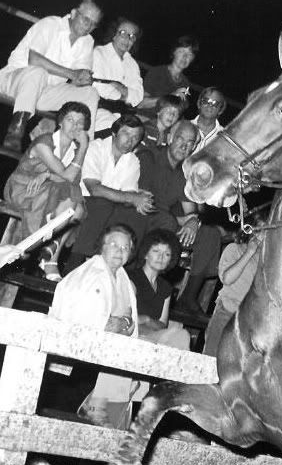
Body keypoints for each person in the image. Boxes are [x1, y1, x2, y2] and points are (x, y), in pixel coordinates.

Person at [49, 224, 139, 427]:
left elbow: (128, 321)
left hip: (107, 361)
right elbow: (76, 317)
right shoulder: (87, 275)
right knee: (64, 416)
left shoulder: (125, 281)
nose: (120, 250)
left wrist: (123, 323)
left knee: (98, 422)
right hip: (78, 361)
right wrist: (108, 325)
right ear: (102, 247)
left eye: (125, 248)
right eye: (114, 244)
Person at [134, 120, 225, 316]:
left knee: (209, 234)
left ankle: (188, 297)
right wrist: (179, 220)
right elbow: (145, 199)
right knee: (167, 221)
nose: (184, 145)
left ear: (194, 147)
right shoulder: (149, 156)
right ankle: (150, 283)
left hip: (166, 220)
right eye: (180, 139)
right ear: (169, 138)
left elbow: (190, 210)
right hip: (141, 214)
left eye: (190, 142)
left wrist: (193, 221)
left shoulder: (186, 171)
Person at [0, 0, 102, 152]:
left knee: (91, 93)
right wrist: (73, 74)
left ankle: (83, 148)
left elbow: (79, 79)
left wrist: (84, 80)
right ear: (74, 13)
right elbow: (34, 60)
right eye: (86, 19)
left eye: (93, 24)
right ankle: (15, 132)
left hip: (44, 94)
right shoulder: (50, 24)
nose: (88, 26)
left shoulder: (87, 42)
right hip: (14, 82)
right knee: (38, 72)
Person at [2, 101, 90, 279]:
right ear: (60, 122)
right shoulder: (44, 141)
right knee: (73, 199)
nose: (75, 125)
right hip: (23, 188)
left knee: (78, 208)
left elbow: (71, 180)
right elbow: (68, 175)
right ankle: (47, 252)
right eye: (70, 119)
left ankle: (51, 255)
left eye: (80, 122)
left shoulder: (73, 151)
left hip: (49, 191)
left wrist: (48, 176)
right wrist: (84, 148)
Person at [66, 113, 152, 270]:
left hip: (110, 205)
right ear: (114, 133)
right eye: (126, 133)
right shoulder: (95, 148)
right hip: (81, 199)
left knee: (138, 215)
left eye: (135, 137)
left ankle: (121, 270)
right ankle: (74, 264)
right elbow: (94, 188)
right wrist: (132, 197)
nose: (130, 140)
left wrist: (138, 200)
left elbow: (129, 198)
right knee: (102, 204)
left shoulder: (132, 160)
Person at [127, 229, 190, 350]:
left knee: (181, 334)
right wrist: (150, 324)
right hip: (131, 335)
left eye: (167, 254)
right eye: (156, 251)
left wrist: (146, 319)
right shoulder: (132, 278)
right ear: (146, 253)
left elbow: (162, 325)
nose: (161, 257)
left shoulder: (165, 287)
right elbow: (129, 319)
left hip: (152, 337)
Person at [203, 230, 262, 356]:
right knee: (211, 357)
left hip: (251, 320)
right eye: (260, 230)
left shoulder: (266, 260)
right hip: (227, 311)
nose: (263, 235)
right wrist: (249, 252)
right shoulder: (235, 249)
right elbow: (227, 278)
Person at [92, 17, 144, 133]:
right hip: (97, 109)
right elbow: (99, 87)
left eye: (132, 36)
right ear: (114, 34)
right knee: (119, 130)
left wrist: (120, 88)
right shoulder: (99, 53)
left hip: (123, 113)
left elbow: (138, 96)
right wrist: (126, 95)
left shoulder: (133, 64)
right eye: (123, 33)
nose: (127, 39)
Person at [139, 35, 199, 111]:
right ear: (174, 52)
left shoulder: (185, 82)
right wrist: (170, 97)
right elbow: (141, 104)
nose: (185, 57)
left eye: (190, 54)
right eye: (182, 51)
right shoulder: (157, 72)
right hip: (146, 117)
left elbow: (179, 109)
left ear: (192, 59)